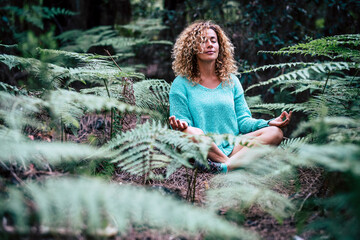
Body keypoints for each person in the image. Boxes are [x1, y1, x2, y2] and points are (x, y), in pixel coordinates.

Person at [168, 20, 292, 173]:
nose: (209, 45)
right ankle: (229, 164)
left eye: (213, 40)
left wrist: (269, 122)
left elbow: (243, 121)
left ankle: (223, 167)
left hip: (232, 146)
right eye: (202, 41)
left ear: (220, 46)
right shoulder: (180, 84)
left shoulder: (231, 81)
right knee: (191, 133)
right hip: (203, 150)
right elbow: (183, 122)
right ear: (191, 48)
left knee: (275, 132)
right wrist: (181, 125)